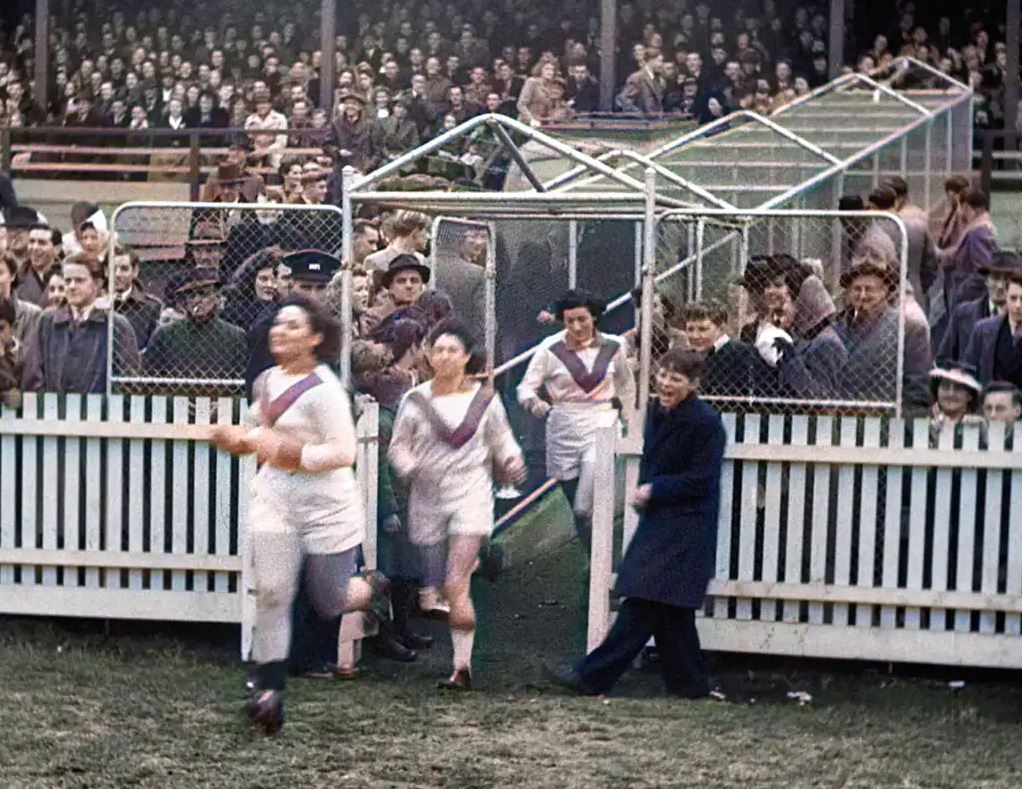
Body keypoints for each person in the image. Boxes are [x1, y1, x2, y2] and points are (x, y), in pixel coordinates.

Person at [210, 292, 387, 735]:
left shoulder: (326, 391)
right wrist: (236, 438)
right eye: (277, 324)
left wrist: (288, 451)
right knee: (272, 590)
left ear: (314, 338)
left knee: (329, 602)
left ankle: (370, 590)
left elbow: (343, 452)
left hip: (326, 508)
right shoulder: (266, 380)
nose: (280, 331)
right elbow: (258, 430)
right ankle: (269, 691)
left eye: (292, 325)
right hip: (274, 498)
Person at [547, 348, 724, 699]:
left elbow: (702, 479)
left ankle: (591, 677)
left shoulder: (706, 422)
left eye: (676, 378)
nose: (665, 383)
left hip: (688, 522)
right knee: (669, 608)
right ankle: (690, 686)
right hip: (661, 516)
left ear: (693, 384)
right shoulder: (657, 414)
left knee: (645, 598)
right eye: (662, 374)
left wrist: (655, 490)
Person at [389, 320, 525, 690]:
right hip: (428, 497)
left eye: (453, 350)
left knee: (456, 582)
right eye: (439, 349)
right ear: (429, 356)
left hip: (471, 492)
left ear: (467, 357)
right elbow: (398, 445)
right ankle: (458, 579)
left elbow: (503, 441)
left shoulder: (485, 400)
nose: (445, 356)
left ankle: (461, 667)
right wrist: (409, 467)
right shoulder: (414, 400)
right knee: (434, 589)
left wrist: (512, 460)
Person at [517, 289, 635, 548]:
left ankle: (602, 557)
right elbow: (525, 387)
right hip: (562, 427)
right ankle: (594, 562)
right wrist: (535, 403)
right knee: (577, 510)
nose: (576, 326)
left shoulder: (614, 346)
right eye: (569, 321)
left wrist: (629, 417)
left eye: (582, 319)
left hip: (601, 424)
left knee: (584, 506)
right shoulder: (550, 349)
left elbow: (626, 384)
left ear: (594, 317)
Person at [22, 254, 141, 393]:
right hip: (53, 410)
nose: (72, 286)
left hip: (100, 411)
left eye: (79, 280)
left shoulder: (115, 325)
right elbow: (33, 373)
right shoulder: (47, 321)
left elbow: (127, 379)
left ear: (97, 284)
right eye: (68, 281)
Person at [833, 259, 932, 408]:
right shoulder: (837, 325)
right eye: (857, 289)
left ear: (885, 290)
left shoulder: (908, 328)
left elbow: (917, 386)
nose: (862, 295)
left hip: (886, 416)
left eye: (869, 289)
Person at [142, 268, 247, 387]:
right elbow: (149, 378)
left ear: (216, 297)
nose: (197, 300)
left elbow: (241, 382)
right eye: (191, 295)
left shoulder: (235, 336)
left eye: (203, 293)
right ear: (185, 301)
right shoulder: (166, 334)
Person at [939, 251, 1019, 364]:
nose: (1000, 286)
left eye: (1007, 279)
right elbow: (944, 360)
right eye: (995, 278)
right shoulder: (963, 315)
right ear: (986, 280)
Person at [681, 300, 756, 399]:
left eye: (702, 329)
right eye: (690, 329)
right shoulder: (691, 357)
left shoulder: (741, 352)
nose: (695, 336)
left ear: (720, 327)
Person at [939, 187, 997, 314]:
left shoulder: (977, 232)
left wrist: (962, 291)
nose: (959, 212)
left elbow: (982, 269)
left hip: (969, 298)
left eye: (961, 206)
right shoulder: (980, 228)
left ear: (967, 206)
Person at [964, 270, 1022, 389]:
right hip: (991, 402)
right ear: (1006, 295)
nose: (1018, 305)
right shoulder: (983, 331)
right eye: (1013, 298)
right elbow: (969, 374)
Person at [360, 253, 431, 337]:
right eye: (401, 281)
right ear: (390, 288)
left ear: (421, 287)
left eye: (414, 280)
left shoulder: (430, 316)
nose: (409, 286)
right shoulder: (373, 317)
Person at [112, 247, 163, 349]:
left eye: (124, 269)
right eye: (112, 269)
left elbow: (153, 346)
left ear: (134, 271)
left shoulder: (151, 306)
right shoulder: (96, 303)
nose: (117, 274)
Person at [16, 224, 61, 308]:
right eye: (31, 241)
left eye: (42, 243)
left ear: (57, 249)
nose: (35, 247)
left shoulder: (69, 277)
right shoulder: (16, 277)